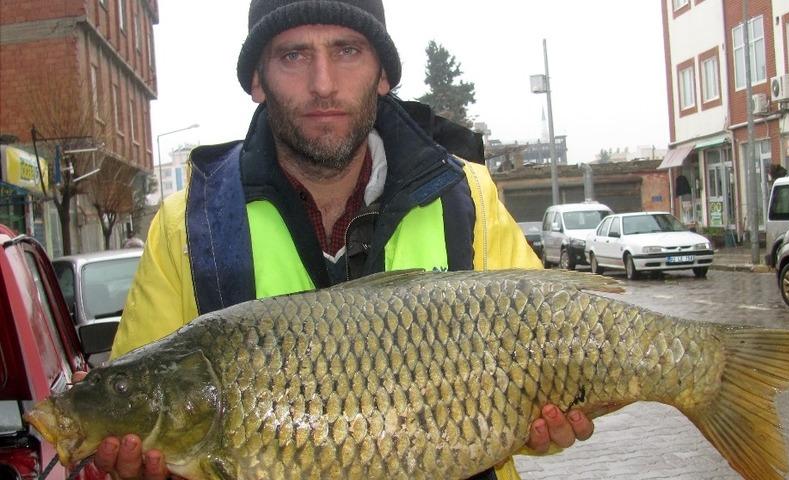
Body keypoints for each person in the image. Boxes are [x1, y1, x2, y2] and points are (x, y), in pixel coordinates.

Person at [92, 1, 594, 478]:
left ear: (383, 75)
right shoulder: (188, 223)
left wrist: (536, 421)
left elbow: (547, 367)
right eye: (293, 55)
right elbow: (139, 403)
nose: (323, 84)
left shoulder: (467, 197)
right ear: (256, 80)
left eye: (347, 50)